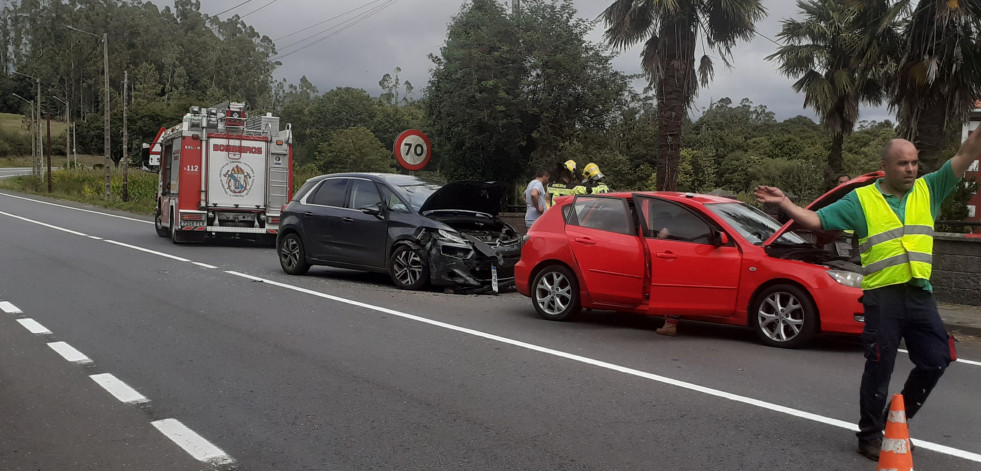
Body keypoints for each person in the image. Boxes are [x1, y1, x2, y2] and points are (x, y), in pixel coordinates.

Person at [753, 126, 981, 461]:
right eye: (903, 163)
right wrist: (785, 202)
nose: (911, 169)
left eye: (915, 163)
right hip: (882, 298)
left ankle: (896, 418)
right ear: (886, 166)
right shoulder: (861, 200)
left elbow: (967, 152)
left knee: (937, 359)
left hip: (919, 294)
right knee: (879, 367)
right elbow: (816, 220)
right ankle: (870, 436)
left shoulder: (929, 188)